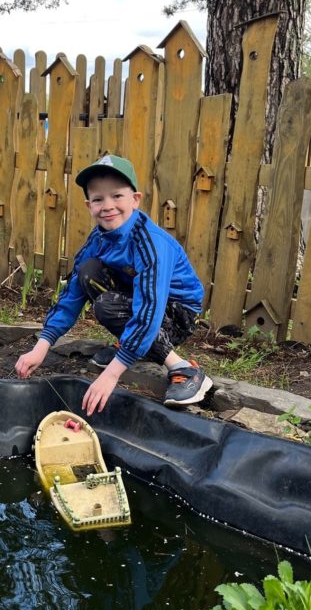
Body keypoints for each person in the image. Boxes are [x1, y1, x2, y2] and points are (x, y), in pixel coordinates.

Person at [15, 154, 212, 415]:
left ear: (135, 199)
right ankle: (133, 346)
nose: (107, 205)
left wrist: (111, 374)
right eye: (98, 199)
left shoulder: (149, 243)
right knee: (88, 272)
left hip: (178, 312)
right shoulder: (98, 239)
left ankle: (184, 369)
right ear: (89, 205)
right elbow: (73, 293)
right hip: (141, 301)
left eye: (117, 196)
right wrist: (41, 347)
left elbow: (149, 309)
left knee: (108, 306)